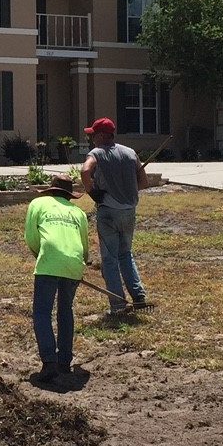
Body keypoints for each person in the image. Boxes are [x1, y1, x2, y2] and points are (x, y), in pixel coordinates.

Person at [24, 173, 91, 384]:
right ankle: (64, 362)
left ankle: (49, 363)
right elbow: (85, 245)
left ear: (51, 189)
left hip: (49, 263)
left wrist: (41, 256)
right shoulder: (78, 212)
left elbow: (31, 237)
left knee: (42, 312)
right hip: (74, 262)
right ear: (69, 195)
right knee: (65, 311)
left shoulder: (38, 203)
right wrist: (78, 265)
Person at [79, 117, 151, 315]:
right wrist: (126, 187)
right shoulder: (130, 153)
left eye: (94, 135)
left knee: (110, 259)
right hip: (129, 211)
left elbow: (85, 171)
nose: (92, 139)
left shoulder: (97, 153)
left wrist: (92, 191)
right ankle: (138, 296)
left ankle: (118, 304)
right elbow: (143, 182)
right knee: (125, 253)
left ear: (102, 136)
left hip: (108, 212)